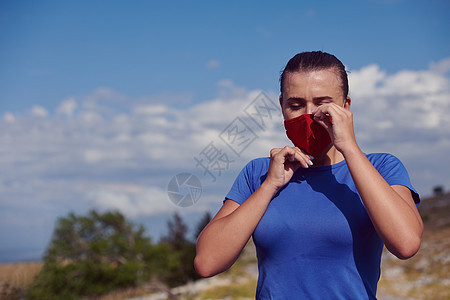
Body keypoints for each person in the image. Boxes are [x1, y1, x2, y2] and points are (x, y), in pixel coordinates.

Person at [194, 51, 423, 299]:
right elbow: (208, 262)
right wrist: (269, 186)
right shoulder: (259, 173)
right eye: (296, 105)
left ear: (346, 106)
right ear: (282, 106)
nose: (309, 115)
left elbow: (406, 244)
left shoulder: (381, 167)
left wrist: (350, 147)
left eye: (323, 104)